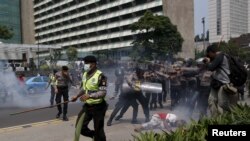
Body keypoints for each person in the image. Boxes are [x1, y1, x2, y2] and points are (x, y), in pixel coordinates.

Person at [71, 55, 108, 141]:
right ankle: (94, 136)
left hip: (98, 107)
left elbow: (103, 92)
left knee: (99, 130)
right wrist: (76, 96)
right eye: (85, 63)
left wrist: (90, 95)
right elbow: (84, 89)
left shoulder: (101, 76)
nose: (85, 65)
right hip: (87, 106)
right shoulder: (85, 74)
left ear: (94, 64)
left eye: (87, 63)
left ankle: (98, 137)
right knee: (80, 127)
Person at [203, 44, 238, 117]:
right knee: (211, 102)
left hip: (223, 84)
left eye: (208, 54)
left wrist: (208, 62)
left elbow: (211, 67)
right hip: (216, 83)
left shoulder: (220, 56)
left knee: (222, 104)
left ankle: (233, 114)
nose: (208, 56)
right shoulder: (216, 58)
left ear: (211, 52)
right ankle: (215, 119)